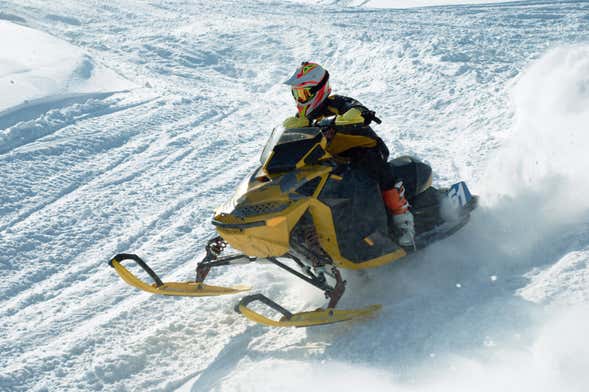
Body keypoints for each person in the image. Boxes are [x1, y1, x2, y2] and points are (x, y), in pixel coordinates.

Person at [283, 61, 415, 247]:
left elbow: (356, 108)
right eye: (297, 93)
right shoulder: (304, 119)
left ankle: (403, 221)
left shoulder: (336, 103)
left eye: (304, 93)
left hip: (362, 149)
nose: (300, 98)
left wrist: (356, 115)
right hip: (333, 161)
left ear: (319, 89)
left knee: (375, 168)